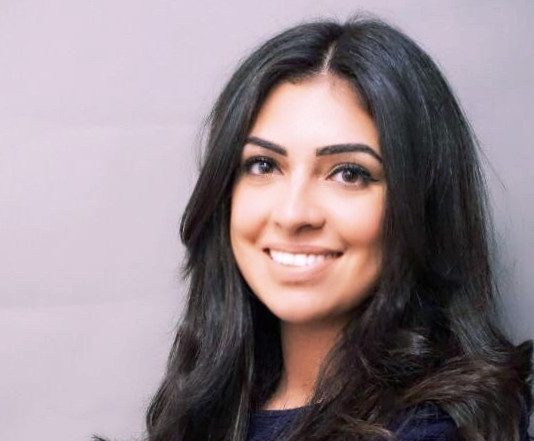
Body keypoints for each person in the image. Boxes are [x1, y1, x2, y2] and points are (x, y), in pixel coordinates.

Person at [96, 15, 533, 441]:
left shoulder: (428, 432)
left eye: (349, 173)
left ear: (420, 203)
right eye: (263, 165)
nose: (292, 214)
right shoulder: (208, 412)